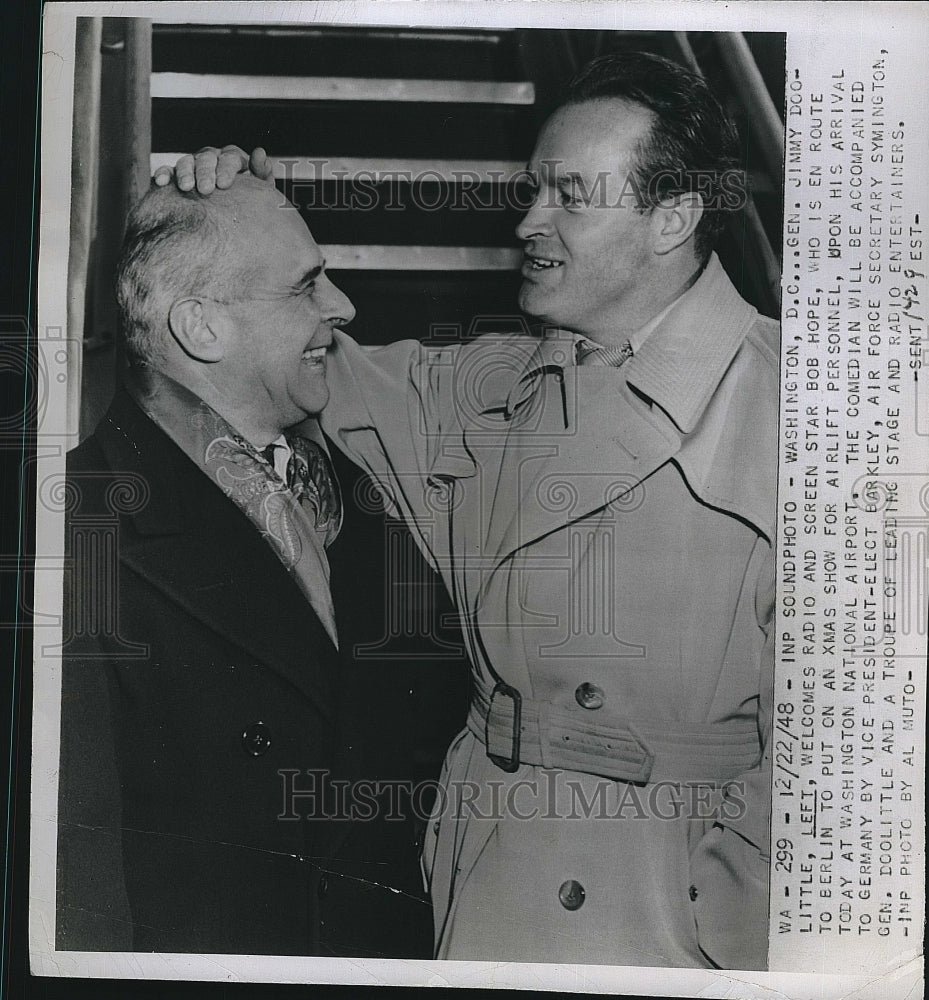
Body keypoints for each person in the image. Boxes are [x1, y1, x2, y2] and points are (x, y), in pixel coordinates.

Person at [163, 51, 777, 970]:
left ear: (674, 218)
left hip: (671, 915)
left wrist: (727, 924)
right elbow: (283, 360)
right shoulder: (482, 386)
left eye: (570, 195)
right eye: (534, 189)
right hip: (487, 874)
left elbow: (851, 752)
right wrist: (233, 216)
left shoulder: (818, 409)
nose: (528, 221)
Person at [56, 175, 384, 955]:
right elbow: (74, 872)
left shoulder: (359, 481)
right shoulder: (74, 523)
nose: (342, 308)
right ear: (201, 327)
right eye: (306, 285)